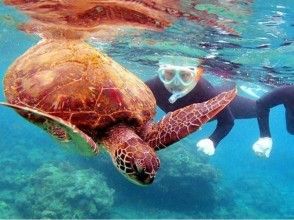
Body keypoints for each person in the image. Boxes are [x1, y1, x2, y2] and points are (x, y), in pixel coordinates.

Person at [145, 57, 293, 157]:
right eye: (168, 75)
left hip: (225, 102)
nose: (175, 83)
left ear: (197, 75)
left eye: (185, 76)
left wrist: (212, 141)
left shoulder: (207, 92)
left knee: (256, 109)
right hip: (207, 99)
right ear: (160, 72)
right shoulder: (149, 87)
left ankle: (233, 82)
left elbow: (227, 121)